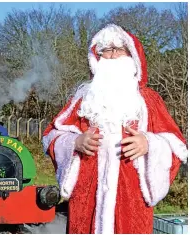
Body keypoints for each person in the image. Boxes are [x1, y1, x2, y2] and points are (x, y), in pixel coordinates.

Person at [42, 24, 187, 234]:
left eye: (118, 49)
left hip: (132, 203)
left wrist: (149, 143)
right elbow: (51, 135)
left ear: (132, 56)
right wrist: (74, 142)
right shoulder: (83, 98)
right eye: (105, 50)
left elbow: (177, 145)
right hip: (86, 200)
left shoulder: (149, 100)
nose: (111, 56)